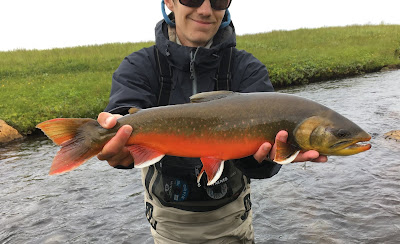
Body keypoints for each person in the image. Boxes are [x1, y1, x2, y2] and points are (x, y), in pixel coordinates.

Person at [97, 0, 327, 243]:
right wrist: (114, 133)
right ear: (169, 2)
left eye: (218, 0)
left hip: (233, 218)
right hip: (169, 223)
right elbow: (124, 108)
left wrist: (272, 157)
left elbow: (264, 162)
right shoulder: (139, 66)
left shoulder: (247, 69)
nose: (206, 10)